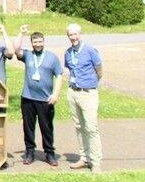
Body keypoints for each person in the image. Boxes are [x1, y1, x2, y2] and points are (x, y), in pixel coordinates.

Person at [13, 26, 64, 167]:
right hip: (28, 98)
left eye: (40, 42)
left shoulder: (52, 57)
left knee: (46, 127)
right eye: (35, 42)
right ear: (31, 43)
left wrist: (55, 94)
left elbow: (59, 75)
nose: (37, 44)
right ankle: (30, 151)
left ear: (44, 42)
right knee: (28, 127)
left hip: (45, 100)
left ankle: (49, 152)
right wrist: (21, 33)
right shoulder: (28, 55)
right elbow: (15, 48)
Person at [63, 23, 103, 172]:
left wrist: (91, 84)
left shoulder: (90, 50)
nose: (73, 37)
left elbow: (99, 70)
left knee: (91, 127)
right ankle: (84, 157)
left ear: (80, 34)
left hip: (88, 92)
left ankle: (96, 161)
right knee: (79, 127)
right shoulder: (68, 53)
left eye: (75, 34)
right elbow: (70, 69)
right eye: (70, 35)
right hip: (73, 92)